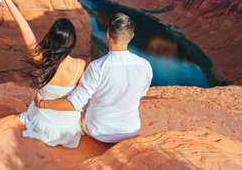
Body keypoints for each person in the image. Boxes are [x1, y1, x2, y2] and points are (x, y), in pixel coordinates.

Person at [35, 13, 153, 143]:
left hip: (98, 131)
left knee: (78, 114)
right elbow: (139, 95)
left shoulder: (97, 67)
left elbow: (75, 104)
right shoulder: (145, 66)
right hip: (130, 130)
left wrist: (42, 104)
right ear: (131, 37)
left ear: (108, 35)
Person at [2, 0, 86, 148]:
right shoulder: (81, 65)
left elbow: (22, 24)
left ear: (51, 38)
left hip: (41, 123)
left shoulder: (41, 59)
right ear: (72, 42)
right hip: (67, 127)